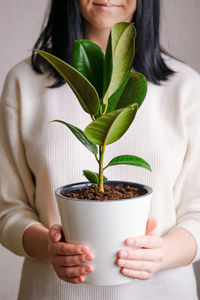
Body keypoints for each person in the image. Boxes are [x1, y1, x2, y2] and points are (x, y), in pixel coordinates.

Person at [0, 0, 200, 299]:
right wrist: (51, 248)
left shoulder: (185, 86)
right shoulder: (25, 83)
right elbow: (8, 208)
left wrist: (163, 253)